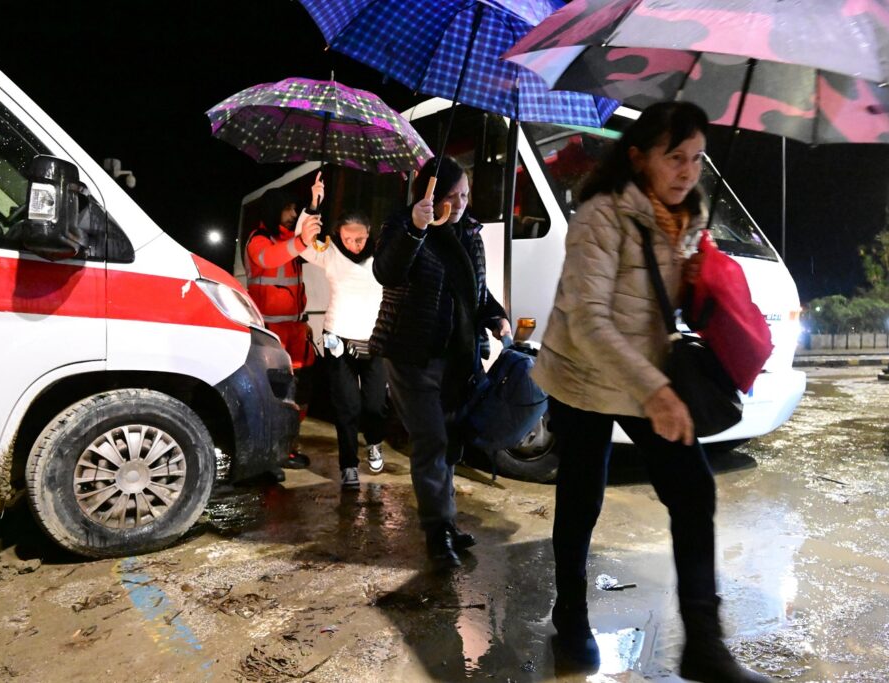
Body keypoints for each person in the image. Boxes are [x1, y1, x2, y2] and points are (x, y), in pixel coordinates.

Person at [532, 102, 770, 682]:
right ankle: (570, 614)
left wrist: (692, 284)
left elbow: (652, 310)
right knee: (583, 495)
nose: (688, 170)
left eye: (697, 158)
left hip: (643, 374)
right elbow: (588, 319)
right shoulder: (600, 215)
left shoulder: (685, 218)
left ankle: (705, 647)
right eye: (675, 156)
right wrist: (659, 392)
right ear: (638, 157)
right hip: (584, 375)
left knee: (693, 489)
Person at [370, 155, 510, 569]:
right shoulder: (404, 224)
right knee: (431, 441)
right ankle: (436, 533)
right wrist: (416, 226)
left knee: (449, 444)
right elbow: (387, 271)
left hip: (458, 360)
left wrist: (496, 316)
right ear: (428, 195)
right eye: (452, 196)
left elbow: (475, 292)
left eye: (465, 194)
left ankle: (445, 522)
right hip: (413, 355)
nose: (461, 203)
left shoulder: (470, 234)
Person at [298, 209, 387, 490]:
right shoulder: (330, 253)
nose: (354, 244)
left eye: (360, 238)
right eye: (348, 238)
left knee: (375, 405)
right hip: (338, 340)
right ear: (339, 235)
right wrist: (312, 208)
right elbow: (303, 241)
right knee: (347, 406)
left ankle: (374, 444)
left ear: (369, 234)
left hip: (375, 341)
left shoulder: (383, 255)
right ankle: (348, 466)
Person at [246, 175, 324, 469]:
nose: (294, 214)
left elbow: (303, 239)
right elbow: (269, 258)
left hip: (294, 333)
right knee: (274, 395)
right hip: (270, 336)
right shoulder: (258, 240)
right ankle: (267, 454)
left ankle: (288, 447)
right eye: (289, 209)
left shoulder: (289, 241)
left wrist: (314, 203)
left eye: (295, 209)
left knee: (299, 393)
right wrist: (302, 239)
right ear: (274, 209)